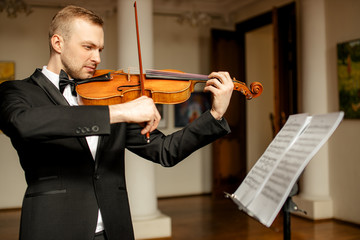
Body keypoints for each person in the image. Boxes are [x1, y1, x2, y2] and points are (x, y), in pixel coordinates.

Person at [0, 5, 234, 240]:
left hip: (114, 229)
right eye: (88, 47)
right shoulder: (18, 91)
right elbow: (24, 123)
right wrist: (118, 112)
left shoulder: (107, 96)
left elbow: (165, 151)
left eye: (100, 49)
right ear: (57, 43)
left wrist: (214, 114)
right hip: (53, 228)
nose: (97, 58)